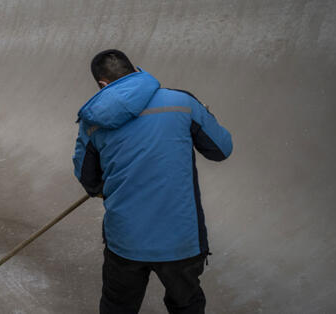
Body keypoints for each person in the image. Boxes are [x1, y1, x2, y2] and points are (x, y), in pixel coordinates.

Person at [72, 50, 232, 314]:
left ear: (102, 84)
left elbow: (88, 180)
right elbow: (221, 149)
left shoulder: (92, 122)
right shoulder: (182, 102)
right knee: (187, 306)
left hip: (125, 241)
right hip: (180, 238)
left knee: (118, 307)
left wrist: (107, 184)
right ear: (135, 70)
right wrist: (204, 115)